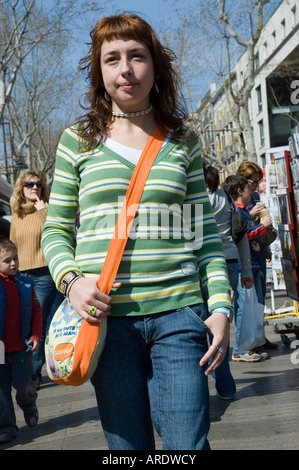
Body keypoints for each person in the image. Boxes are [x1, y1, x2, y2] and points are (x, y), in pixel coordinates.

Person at [41, 13, 233, 450]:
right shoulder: (77, 141)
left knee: (188, 445)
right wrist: (71, 283)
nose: (125, 69)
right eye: (112, 59)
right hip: (106, 324)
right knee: (128, 450)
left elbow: (205, 239)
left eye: (136, 56)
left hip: (179, 316)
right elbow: (55, 231)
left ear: (155, 66)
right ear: (99, 71)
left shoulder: (182, 141)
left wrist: (221, 308)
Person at [9, 171, 63, 388]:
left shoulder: (49, 210)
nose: (35, 187)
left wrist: (44, 213)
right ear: (21, 189)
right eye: (29, 184)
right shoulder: (17, 215)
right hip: (21, 275)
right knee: (31, 321)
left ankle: (33, 372)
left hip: (44, 274)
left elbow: (57, 235)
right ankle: (35, 368)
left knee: (36, 322)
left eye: (39, 184)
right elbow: (12, 246)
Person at [204, 164, 253, 397]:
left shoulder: (196, 196)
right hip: (230, 262)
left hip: (201, 265)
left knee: (197, 324)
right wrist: (247, 271)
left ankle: (205, 379)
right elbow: (240, 232)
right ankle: (224, 383)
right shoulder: (224, 197)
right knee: (221, 323)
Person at [222, 175, 272, 362]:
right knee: (243, 307)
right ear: (239, 191)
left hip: (254, 263)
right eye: (247, 187)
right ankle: (240, 349)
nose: (251, 191)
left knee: (255, 305)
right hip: (244, 266)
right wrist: (262, 227)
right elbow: (243, 236)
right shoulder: (237, 213)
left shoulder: (245, 212)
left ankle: (252, 344)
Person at [0, 238, 42, 445]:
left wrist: (35, 335)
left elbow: (36, 312)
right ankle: (7, 426)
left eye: (15, 258)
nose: (14, 263)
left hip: (21, 346)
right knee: (0, 390)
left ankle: (28, 405)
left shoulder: (25, 283)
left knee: (26, 385)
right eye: (7, 260)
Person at [236, 162, 278, 351]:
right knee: (248, 302)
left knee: (260, 298)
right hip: (247, 255)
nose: (255, 186)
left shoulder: (254, 196)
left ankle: (260, 337)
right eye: (253, 182)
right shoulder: (237, 201)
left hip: (258, 250)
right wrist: (251, 214)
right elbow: (241, 228)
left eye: (257, 182)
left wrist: (266, 245)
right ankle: (249, 341)